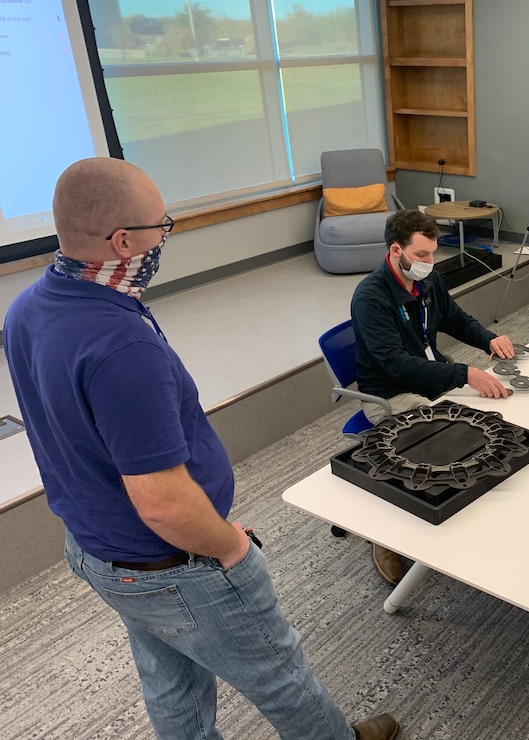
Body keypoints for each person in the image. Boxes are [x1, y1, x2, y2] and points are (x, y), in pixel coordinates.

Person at [3, 158, 399, 740]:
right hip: (171, 562)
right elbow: (162, 503)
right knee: (279, 675)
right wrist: (230, 545)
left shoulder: (27, 309)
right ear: (122, 242)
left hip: (98, 550)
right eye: (160, 228)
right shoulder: (121, 347)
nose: (165, 238)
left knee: (171, 684)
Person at [350, 208, 514, 585]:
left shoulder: (428, 281)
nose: (430, 262)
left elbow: (455, 319)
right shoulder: (370, 298)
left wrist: (487, 339)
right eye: (421, 255)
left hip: (432, 379)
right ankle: (385, 538)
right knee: (441, 444)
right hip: (392, 394)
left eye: (433, 253)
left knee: (494, 419)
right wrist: (464, 374)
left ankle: (468, 514)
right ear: (396, 251)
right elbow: (396, 366)